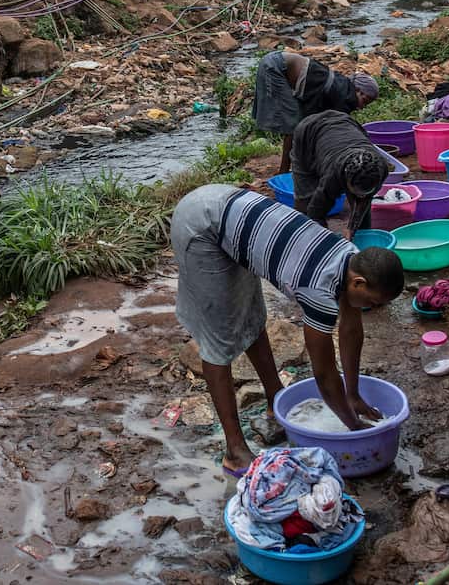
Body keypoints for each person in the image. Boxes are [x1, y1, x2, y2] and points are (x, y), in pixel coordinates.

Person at [172, 184, 405, 477]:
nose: (371, 308)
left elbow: (350, 331)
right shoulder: (318, 289)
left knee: (252, 315)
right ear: (358, 283)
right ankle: (235, 450)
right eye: (372, 301)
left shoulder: (352, 256)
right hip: (202, 225)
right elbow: (323, 373)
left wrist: (353, 393)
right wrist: (354, 428)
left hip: (230, 211)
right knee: (218, 339)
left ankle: (275, 400)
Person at [253, 50, 380, 173]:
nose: (363, 107)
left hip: (275, 60)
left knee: (301, 124)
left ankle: (295, 167)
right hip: (275, 67)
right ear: (358, 90)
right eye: (365, 101)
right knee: (292, 127)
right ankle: (284, 171)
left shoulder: (343, 88)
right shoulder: (344, 96)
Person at [291, 110, 389, 239]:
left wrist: (352, 229)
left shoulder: (380, 169)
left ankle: (362, 237)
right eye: (356, 191)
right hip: (308, 133)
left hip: (345, 122)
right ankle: (301, 238)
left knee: (363, 206)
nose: (360, 196)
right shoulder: (332, 176)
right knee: (306, 199)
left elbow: (364, 201)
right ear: (345, 178)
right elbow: (316, 213)